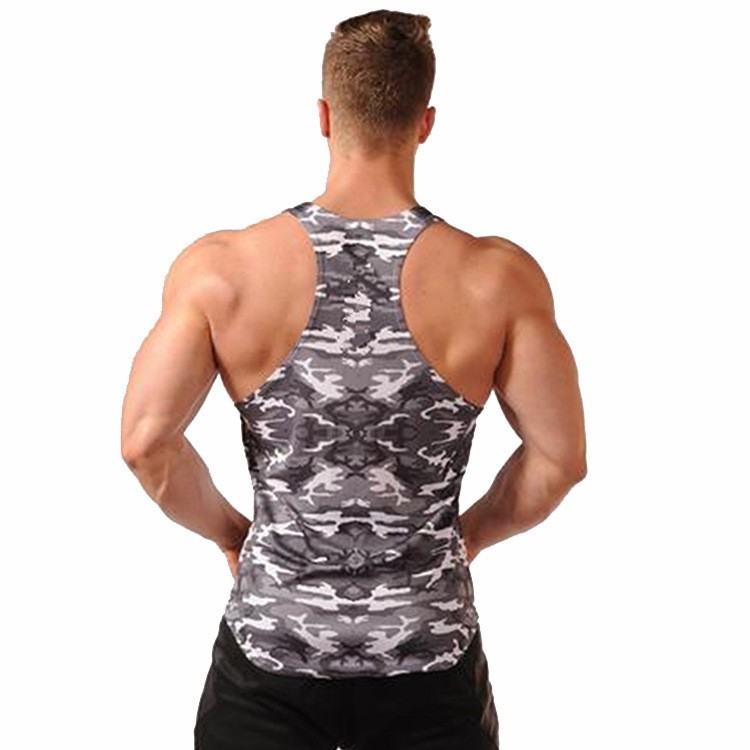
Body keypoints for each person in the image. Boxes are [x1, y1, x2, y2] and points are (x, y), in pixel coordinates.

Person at [121, 9, 587, 750]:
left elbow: (147, 444)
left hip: (269, 662)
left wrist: (236, 535)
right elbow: (560, 459)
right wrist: (463, 539)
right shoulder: (497, 280)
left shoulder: (222, 271)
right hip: (430, 663)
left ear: (324, 116)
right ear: (425, 122)